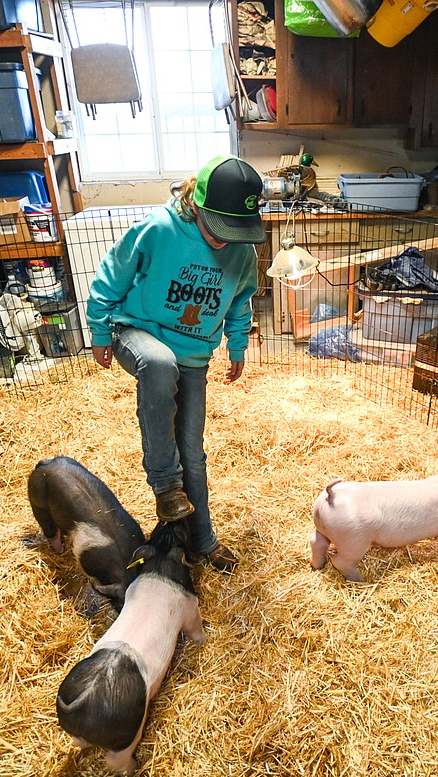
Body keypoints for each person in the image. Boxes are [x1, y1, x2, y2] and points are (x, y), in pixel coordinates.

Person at [86, 154, 264, 573]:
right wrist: (97, 332)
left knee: (194, 453)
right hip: (136, 331)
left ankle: (203, 540)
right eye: (219, 227)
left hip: (195, 353)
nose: (225, 239)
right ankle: (165, 484)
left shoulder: (241, 254)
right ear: (198, 205)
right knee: (159, 363)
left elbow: (240, 301)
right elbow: (109, 278)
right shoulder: (158, 230)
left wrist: (237, 346)